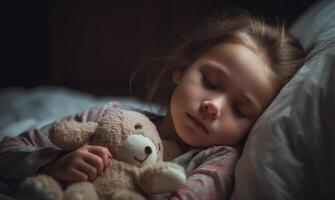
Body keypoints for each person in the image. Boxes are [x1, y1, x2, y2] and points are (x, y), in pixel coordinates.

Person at [0, 12, 305, 200]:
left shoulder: (216, 162)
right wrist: (53, 164)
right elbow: (8, 150)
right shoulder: (110, 117)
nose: (214, 106)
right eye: (210, 82)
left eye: (240, 110)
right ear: (182, 69)